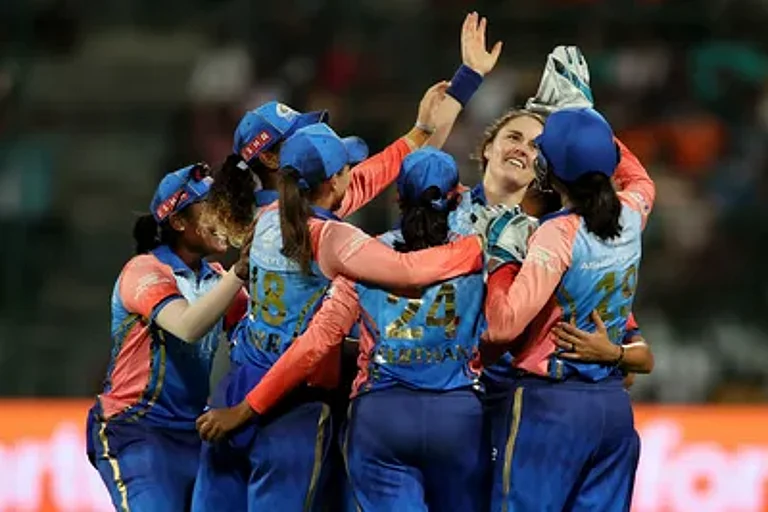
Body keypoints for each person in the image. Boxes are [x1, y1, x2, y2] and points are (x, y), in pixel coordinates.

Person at [201, 148, 488, 511]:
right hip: (458, 417)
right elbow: (500, 327)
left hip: (379, 417)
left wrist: (246, 409)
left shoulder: (292, 226)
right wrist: (476, 246)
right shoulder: (479, 254)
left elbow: (315, 343)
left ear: (397, 197)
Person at [477, 106, 655, 512]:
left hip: (550, 407)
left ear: (550, 170)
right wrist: (588, 116)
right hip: (611, 406)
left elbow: (503, 326)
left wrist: (503, 259)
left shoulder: (556, 233)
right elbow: (638, 176)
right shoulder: (633, 211)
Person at [85, 163, 251, 512]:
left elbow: (255, 345)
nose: (223, 215)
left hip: (197, 432)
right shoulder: (144, 270)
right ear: (178, 222)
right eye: (210, 206)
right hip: (135, 429)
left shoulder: (219, 279)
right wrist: (240, 272)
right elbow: (189, 327)